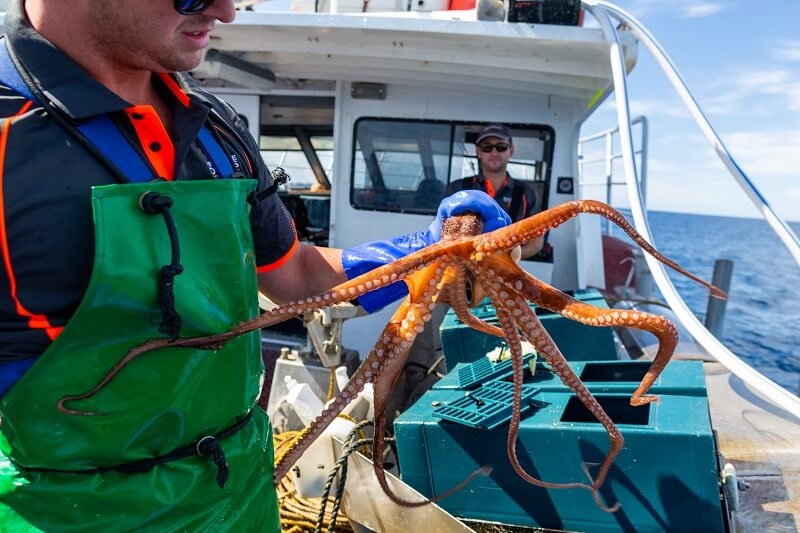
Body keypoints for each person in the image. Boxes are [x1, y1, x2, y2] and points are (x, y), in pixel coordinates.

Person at [0, 1, 510, 530]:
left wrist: (426, 251)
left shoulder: (215, 129)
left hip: (240, 494)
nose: (225, 11)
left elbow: (299, 276)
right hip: (72, 514)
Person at [446, 123, 545, 258]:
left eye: (501, 147)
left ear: (511, 150)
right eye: (487, 147)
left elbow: (537, 240)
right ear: (478, 152)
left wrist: (509, 259)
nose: (494, 152)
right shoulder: (457, 189)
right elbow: (443, 231)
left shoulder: (526, 193)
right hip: (465, 265)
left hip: (509, 270)